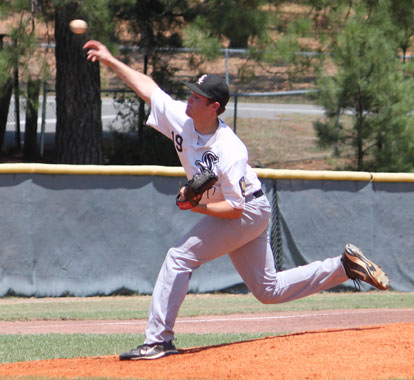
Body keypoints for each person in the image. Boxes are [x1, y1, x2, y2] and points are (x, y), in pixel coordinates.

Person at [84, 40, 390, 361]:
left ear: (213, 106)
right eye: (190, 93)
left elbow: (235, 209)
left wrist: (196, 205)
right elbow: (149, 89)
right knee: (268, 291)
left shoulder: (229, 149)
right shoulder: (182, 118)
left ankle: (158, 340)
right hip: (246, 210)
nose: (188, 99)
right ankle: (344, 267)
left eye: (196, 96)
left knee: (179, 257)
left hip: (245, 212)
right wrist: (110, 61)